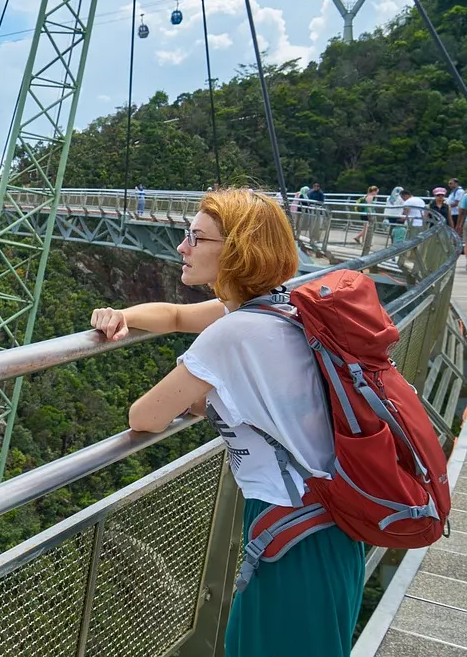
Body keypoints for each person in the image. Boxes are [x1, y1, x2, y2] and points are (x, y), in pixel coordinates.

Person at [89, 188, 363, 655]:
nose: (182, 247)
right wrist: (121, 315)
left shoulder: (232, 332)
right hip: (328, 524)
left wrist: (201, 394)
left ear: (237, 250)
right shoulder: (281, 306)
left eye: (196, 238)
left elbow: (145, 416)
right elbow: (175, 315)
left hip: (294, 531)